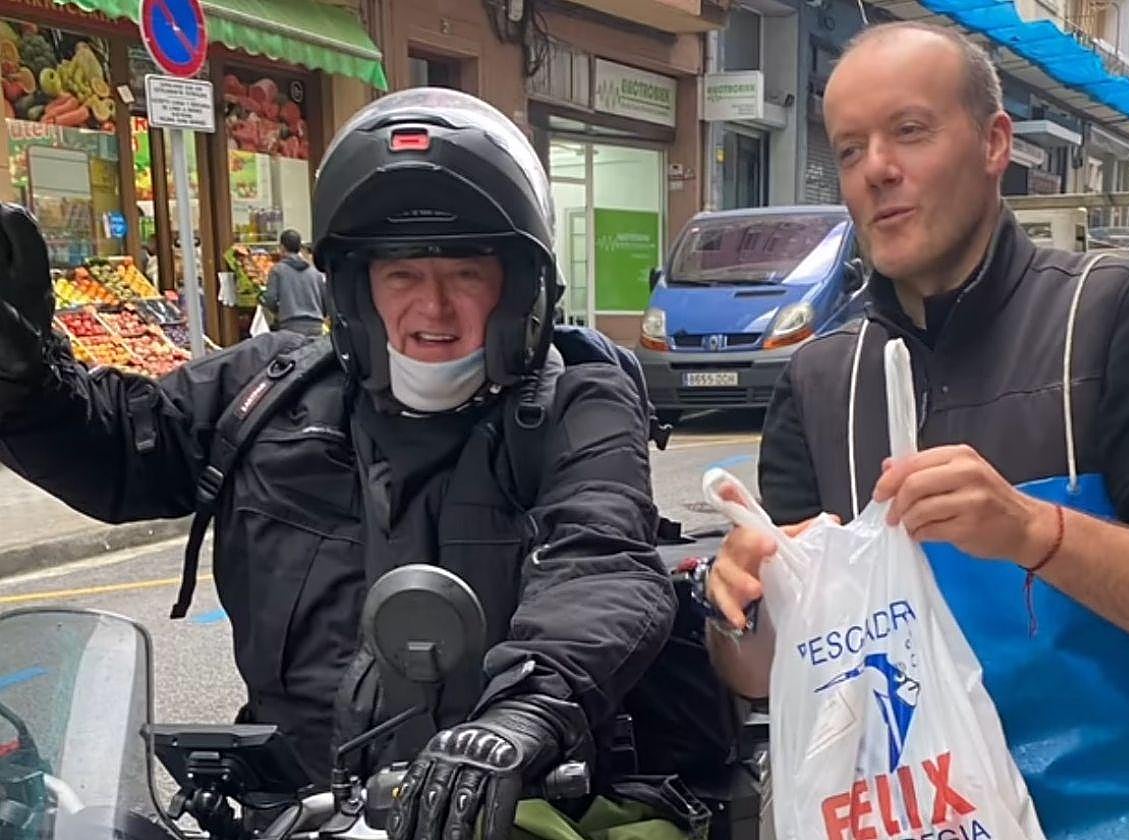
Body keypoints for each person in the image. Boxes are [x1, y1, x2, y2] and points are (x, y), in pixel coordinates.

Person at [0, 89, 676, 840]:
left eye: (465, 275)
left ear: (519, 289)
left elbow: (603, 561)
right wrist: (28, 385)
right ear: (355, 291)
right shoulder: (268, 391)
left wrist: (525, 714)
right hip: (290, 814)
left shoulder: (576, 403)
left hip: (501, 809)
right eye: (403, 277)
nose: (434, 308)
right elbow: (124, 449)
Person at [698, 22, 1129, 840]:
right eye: (851, 149)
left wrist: (1034, 532)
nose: (876, 172)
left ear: (996, 142)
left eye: (910, 131)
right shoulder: (822, 380)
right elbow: (762, 677)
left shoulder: (1113, 317)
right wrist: (740, 610)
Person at [262, 228, 327, 336]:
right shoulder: (315, 273)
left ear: (282, 248)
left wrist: (279, 311)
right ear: (299, 247)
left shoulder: (278, 270)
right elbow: (325, 303)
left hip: (290, 326)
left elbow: (270, 299)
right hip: (316, 327)